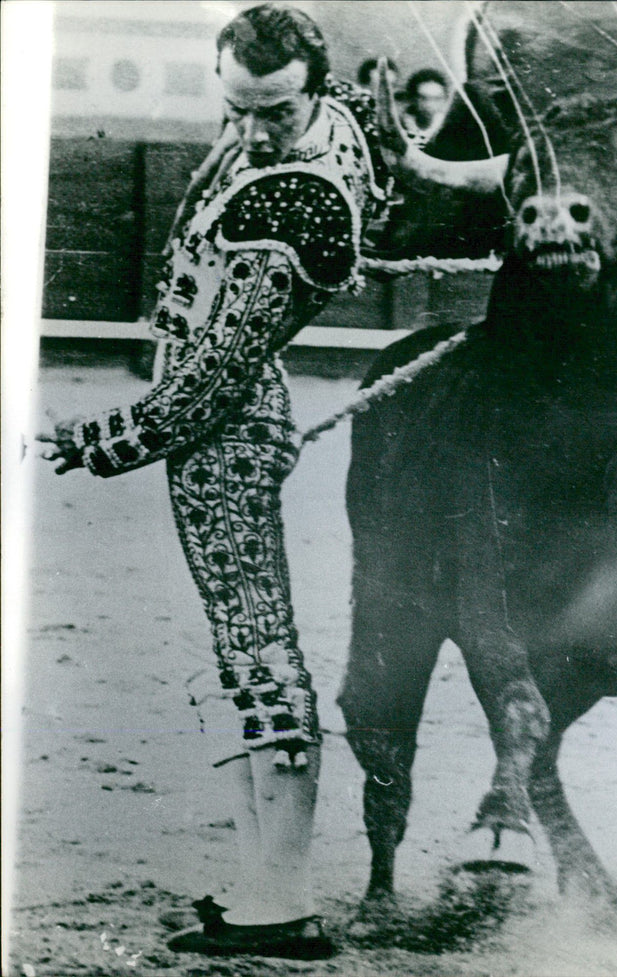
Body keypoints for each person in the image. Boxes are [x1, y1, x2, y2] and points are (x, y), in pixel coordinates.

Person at [38, 3, 388, 960]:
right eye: (238, 105)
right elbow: (362, 125)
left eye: (275, 110)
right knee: (239, 651)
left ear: (310, 88)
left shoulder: (299, 200)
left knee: (258, 651)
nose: (254, 128)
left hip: (227, 433)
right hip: (229, 420)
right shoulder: (333, 120)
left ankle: (280, 903)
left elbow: (209, 386)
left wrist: (92, 439)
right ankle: (259, 884)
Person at [399, 67, 449, 147]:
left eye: (437, 99)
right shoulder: (398, 128)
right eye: (423, 98)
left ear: (444, 100)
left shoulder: (448, 130)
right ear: (412, 99)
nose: (429, 104)